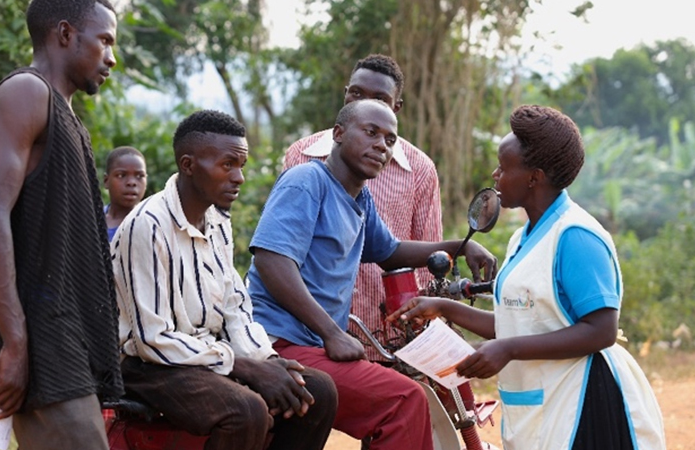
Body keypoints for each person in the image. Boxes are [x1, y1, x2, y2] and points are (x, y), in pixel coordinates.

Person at [389, 105, 666, 450]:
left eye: (503, 168)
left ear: (534, 177)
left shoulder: (577, 237)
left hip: (583, 402)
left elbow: (602, 330)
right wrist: (444, 308)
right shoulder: (521, 238)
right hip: (539, 403)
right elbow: (518, 321)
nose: (494, 175)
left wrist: (508, 349)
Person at [247, 99, 497, 450]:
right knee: (404, 400)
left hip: (311, 344)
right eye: (371, 132)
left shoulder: (360, 200)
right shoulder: (308, 181)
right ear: (338, 134)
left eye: (390, 139)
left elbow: (389, 252)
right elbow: (273, 262)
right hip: (281, 342)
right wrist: (333, 333)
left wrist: (460, 245)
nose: (382, 145)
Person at [111, 110, 338, 450]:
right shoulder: (148, 225)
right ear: (188, 165)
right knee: (245, 411)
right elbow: (151, 339)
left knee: (317, 391)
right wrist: (243, 367)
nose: (239, 178)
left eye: (241, 165)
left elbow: (235, 307)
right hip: (146, 365)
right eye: (227, 165)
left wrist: (269, 362)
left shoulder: (217, 222)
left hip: (206, 354)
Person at [0, 1, 121, 448]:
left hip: (64, 336)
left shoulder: (68, 116)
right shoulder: (26, 93)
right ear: (66, 34)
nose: (111, 56)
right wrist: (14, 341)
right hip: (42, 339)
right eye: (105, 40)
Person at [283, 54, 442, 361]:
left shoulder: (419, 169)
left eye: (380, 99)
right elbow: (283, 250)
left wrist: (424, 330)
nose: (365, 103)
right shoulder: (302, 157)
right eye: (356, 93)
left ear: (397, 108)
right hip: (309, 332)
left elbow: (422, 262)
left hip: (387, 334)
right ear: (345, 94)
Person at [103, 145, 147, 241]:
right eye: (121, 175)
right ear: (106, 181)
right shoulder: (92, 220)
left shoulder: (150, 224)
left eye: (139, 176)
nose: (131, 182)